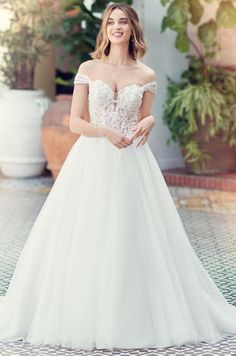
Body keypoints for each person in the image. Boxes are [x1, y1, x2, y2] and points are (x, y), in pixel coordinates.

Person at [0, 2, 236, 352]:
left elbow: (144, 119)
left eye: (124, 22)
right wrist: (104, 133)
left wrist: (151, 121)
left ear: (132, 29)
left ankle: (132, 312)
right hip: (91, 160)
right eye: (112, 22)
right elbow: (75, 122)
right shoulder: (88, 68)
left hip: (132, 163)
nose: (117, 27)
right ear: (105, 29)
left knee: (130, 233)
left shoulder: (146, 75)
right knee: (86, 231)